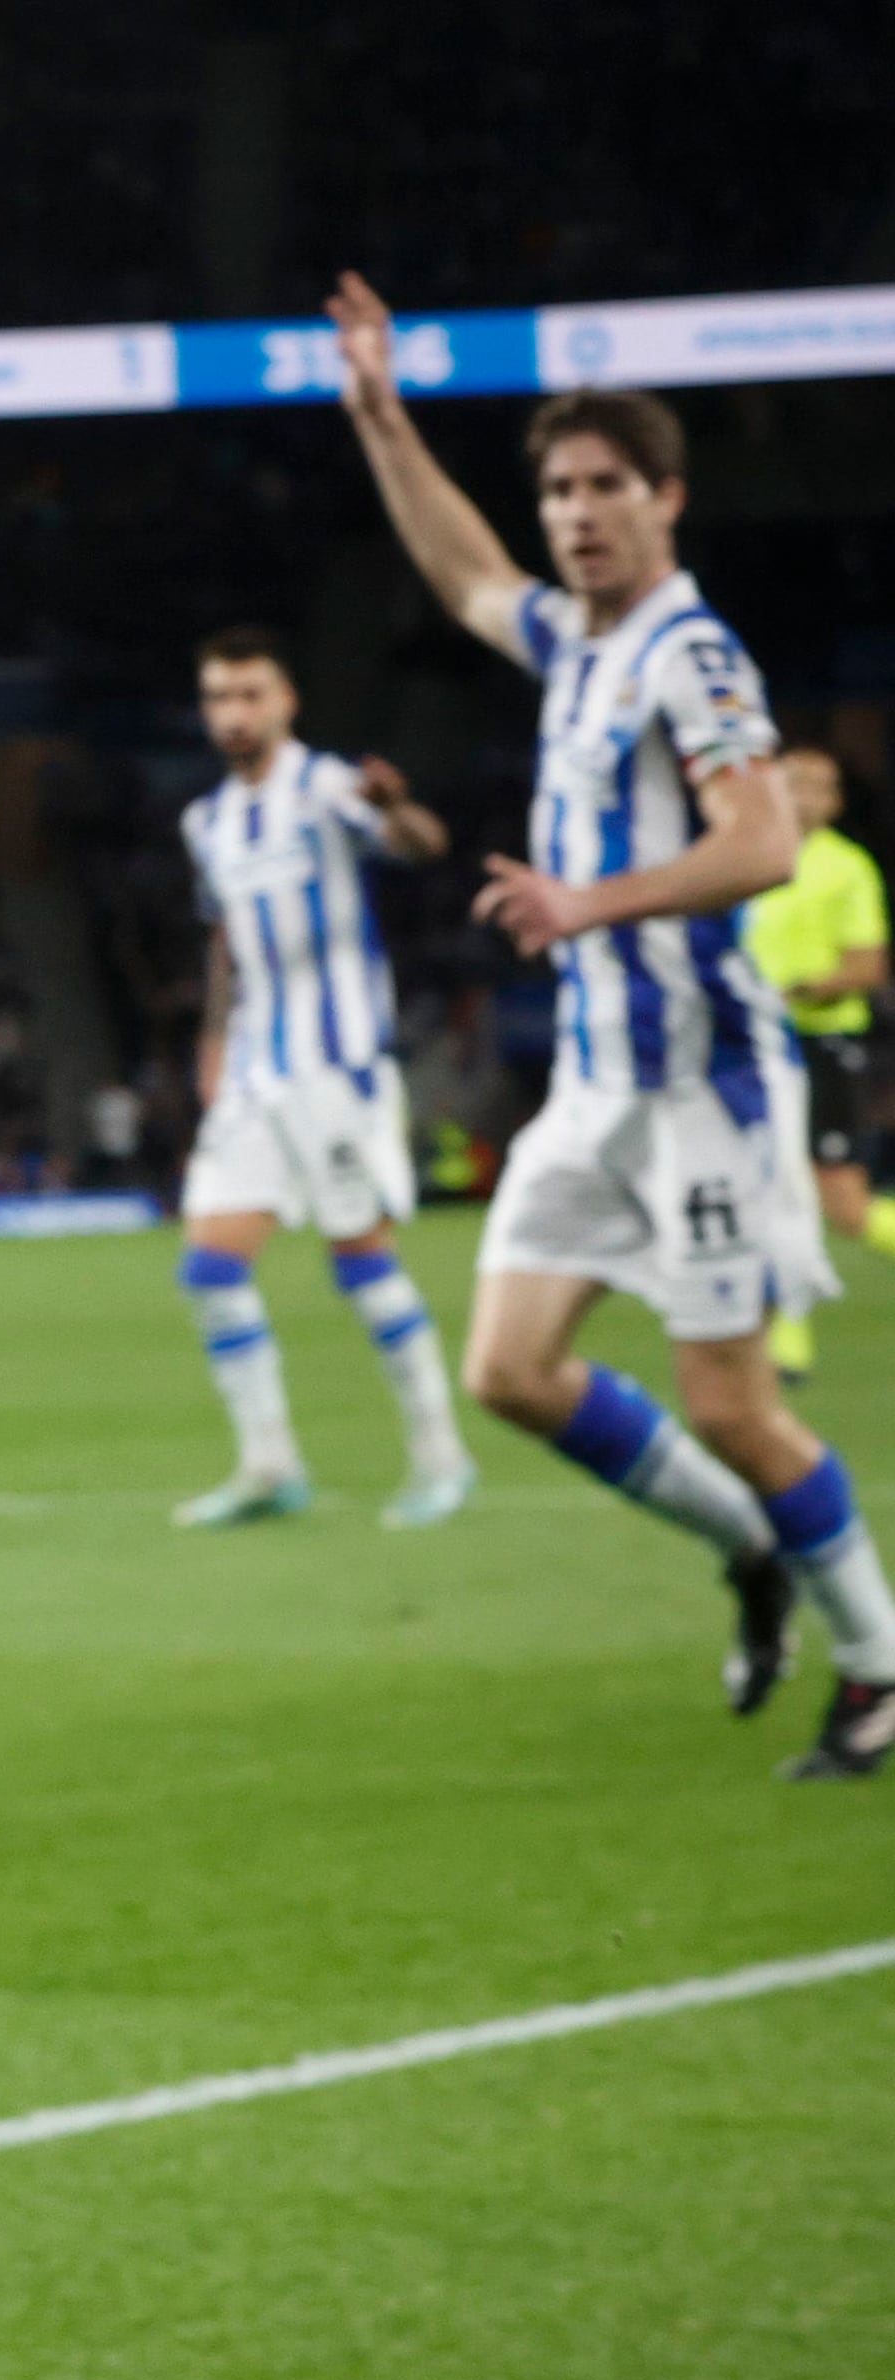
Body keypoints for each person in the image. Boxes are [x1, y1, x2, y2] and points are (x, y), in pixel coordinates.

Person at [325, 276, 893, 1775]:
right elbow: (460, 572)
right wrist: (383, 418)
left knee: (736, 1407)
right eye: (561, 491)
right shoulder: (575, 638)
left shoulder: (691, 656)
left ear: (667, 502)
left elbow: (763, 840)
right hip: (595, 1089)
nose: (577, 515)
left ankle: (882, 1666)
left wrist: (595, 903)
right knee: (508, 1371)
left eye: (604, 489)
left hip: (706, 1088)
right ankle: (753, 1555)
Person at [162, 627, 479, 1529]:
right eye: (219, 697)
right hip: (257, 1072)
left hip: (336, 1068)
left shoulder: (326, 787)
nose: (234, 714)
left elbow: (419, 843)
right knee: (210, 1265)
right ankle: (268, 1465)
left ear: (286, 699)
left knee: (361, 1261)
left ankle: (440, 1457)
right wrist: (213, 1046)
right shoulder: (207, 822)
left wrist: (399, 807)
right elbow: (226, 944)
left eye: (250, 694)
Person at [742, 742, 887, 1376]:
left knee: (844, 1205)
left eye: (816, 786)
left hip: (820, 1046)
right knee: (767, 1190)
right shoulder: (741, 860)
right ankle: (786, 1336)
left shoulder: (846, 868)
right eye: (791, 782)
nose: (801, 796)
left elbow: (866, 967)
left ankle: (787, 1331)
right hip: (753, 1049)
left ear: (833, 802)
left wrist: (792, 989)